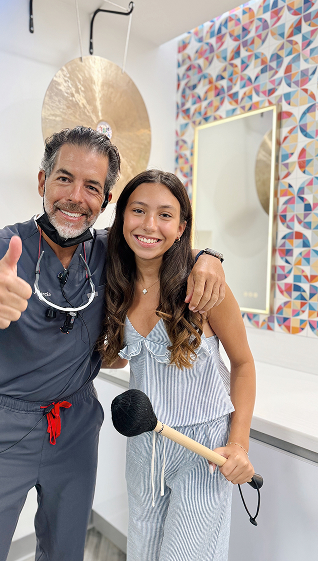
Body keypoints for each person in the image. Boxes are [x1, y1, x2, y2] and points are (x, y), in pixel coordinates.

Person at [0, 127, 227, 561]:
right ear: (42, 181)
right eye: (64, 179)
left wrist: (209, 258)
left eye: (91, 186)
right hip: (3, 426)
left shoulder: (112, 251)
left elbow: (164, 243)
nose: (76, 197)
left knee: (65, 552)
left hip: (75, 426)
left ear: (105, 200)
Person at [99, 169, 256, 561]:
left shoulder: (204, 288)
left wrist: (238, 444)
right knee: (143, 553)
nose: (150, 225)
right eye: (138, 210)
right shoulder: (116, 284)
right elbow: (123, 355)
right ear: (122, 217)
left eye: (165, 215)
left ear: (182, 226)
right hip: (144, 446)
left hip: (203, 451)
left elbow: (243, 364)